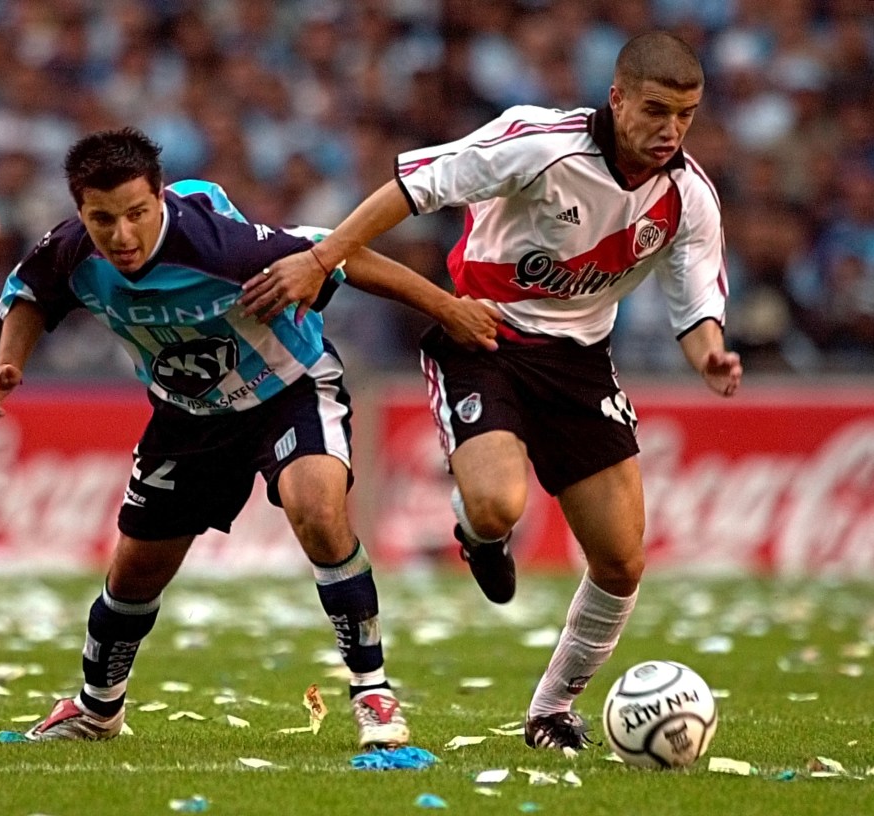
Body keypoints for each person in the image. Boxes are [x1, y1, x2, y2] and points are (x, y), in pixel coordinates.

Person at [240, 31, 743, 751]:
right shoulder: (536, 143)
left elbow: (694, 308)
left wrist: (711, 356)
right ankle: (479, 532)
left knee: (621, 559)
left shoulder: (689, 198)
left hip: (580, 363)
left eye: (685, 116)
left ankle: (550, 711)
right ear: (617, 97)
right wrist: (323, 258)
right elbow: (410, 189)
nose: (669, 131)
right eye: (656, 110)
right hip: (483, 337)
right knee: (497, 503)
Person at [0, 127, 501, 747]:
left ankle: (374, 693)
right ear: (79, 210)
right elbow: (31, 293)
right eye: (102, 219)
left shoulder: (220, 247)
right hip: (187, 417)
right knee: (134, 575)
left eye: (137, 214)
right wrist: (10, 363)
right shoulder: (69, 251)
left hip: (288, 390)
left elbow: (339, 253)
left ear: (161, 198)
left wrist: (449, 308)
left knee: (319, 511)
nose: (122, 236)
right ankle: (96, 709)